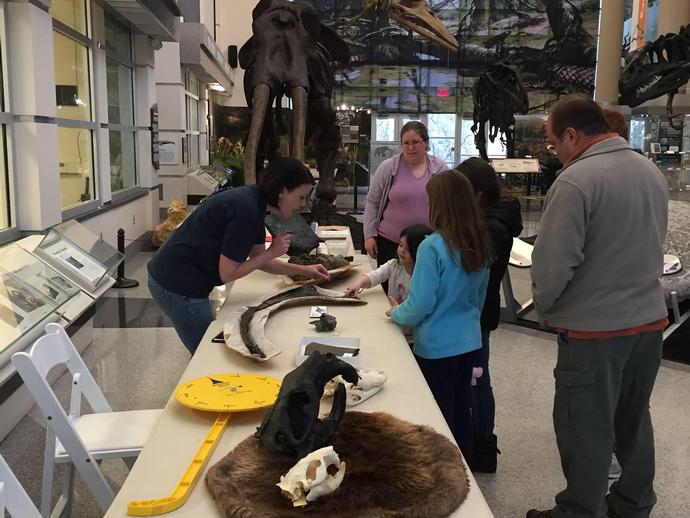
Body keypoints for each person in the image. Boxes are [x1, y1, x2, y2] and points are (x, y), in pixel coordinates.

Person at [527, 94, 668, 518]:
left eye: (554, 143)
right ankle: (633, 502)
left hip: (595, 332)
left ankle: (579, 511)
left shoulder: (575, 181)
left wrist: (546, 310)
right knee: (633, 418)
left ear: (571, 134)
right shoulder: (650, 171)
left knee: (584, 426)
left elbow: (553, 264)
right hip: (648, 323)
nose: (556, 151)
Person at [148, 157, 330, 354]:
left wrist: (304, 271)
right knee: (208, 354)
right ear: (282, 192)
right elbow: (228, 272)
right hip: (176, 284)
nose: (302, 204)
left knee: (212, 350)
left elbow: (260, 259)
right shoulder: (247, 211)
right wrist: (272, 252)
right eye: (301, 197)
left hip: (180, 277)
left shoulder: (255, 203)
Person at [389, 171, 491, 462]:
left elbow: (420, 303)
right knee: (461, 407)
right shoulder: (480, 244)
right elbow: (478, 299)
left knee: (436, 411)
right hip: (469, 341)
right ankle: (463, 465)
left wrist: (396, 313)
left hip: (435, 347)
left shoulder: (432, 246)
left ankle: (439, 470)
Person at [456, 157, 523, 473]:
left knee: (478, 381)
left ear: (479, 194)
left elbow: (475, 272)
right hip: (473, 312)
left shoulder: (493, 228)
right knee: (473, 379)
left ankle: (483, 445)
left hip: (477, 315)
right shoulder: (486, 220)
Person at [363, 121, 447, 292]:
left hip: (427, 245)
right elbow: (372, 202)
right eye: (406, 143)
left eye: (415, 142)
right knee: (390, 291)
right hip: (390, 242)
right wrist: (369, 234)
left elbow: (449, 204)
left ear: (425, 143)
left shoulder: (439, 169)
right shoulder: (388, 168)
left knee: (423, 290)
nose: (410, 148)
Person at [345, 224, 433, 342]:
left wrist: (399, 311)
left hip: (413, 337)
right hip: (394, 324)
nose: (401, 251)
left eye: (408, 249)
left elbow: (419, 311)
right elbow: (375, 276)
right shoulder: (394, 265)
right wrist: (359, 283)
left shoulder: (423, 276)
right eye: (401, 245)